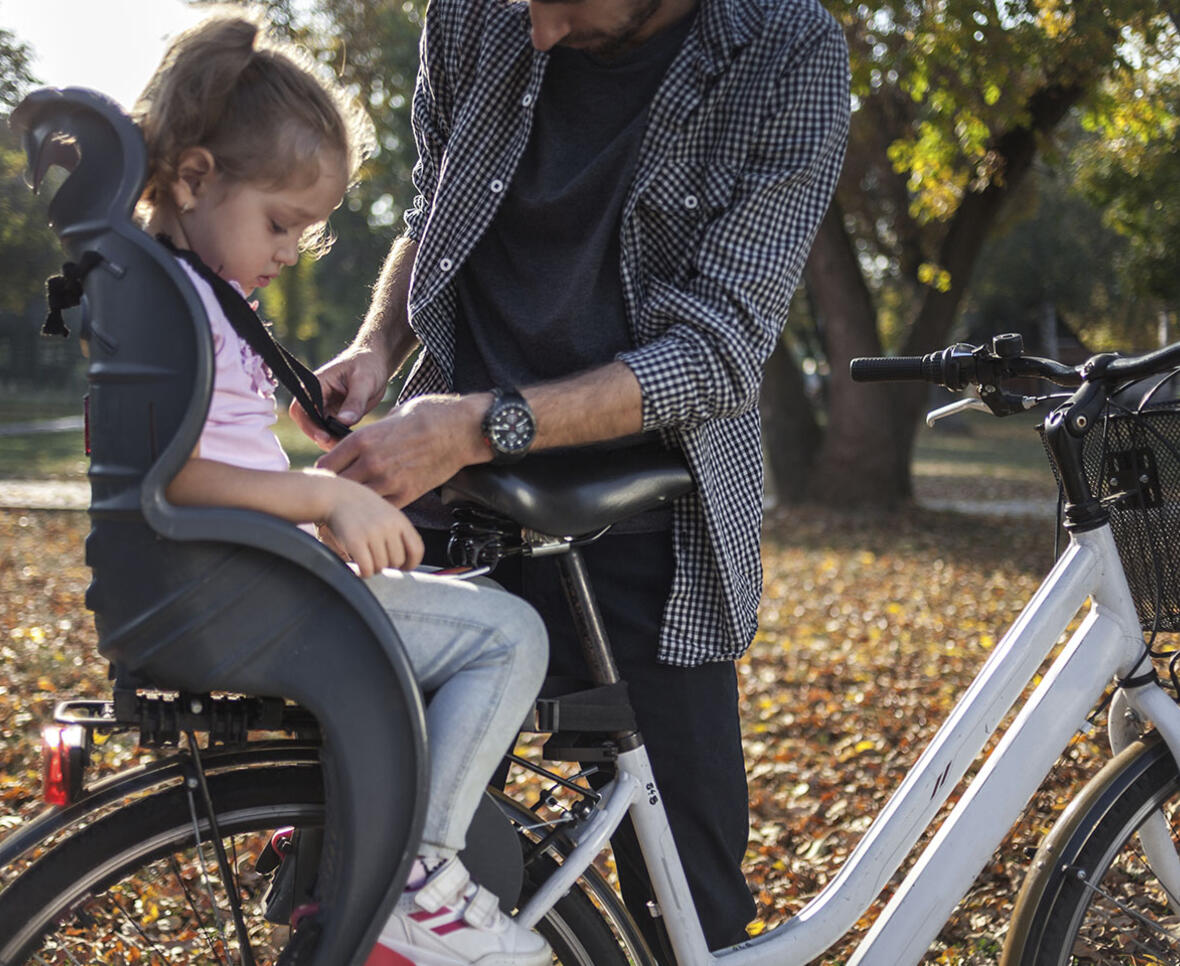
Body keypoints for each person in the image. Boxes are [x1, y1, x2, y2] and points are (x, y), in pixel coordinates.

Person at [292, 0, 851, 953]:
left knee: (693, 910)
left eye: (560, 4)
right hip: (452, 493)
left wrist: (479, 425)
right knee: (379, 859)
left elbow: (718, 353)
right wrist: (380, 346)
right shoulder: (478, 12)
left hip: (650, 523)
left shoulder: (786, 48)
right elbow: (438, 210)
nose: (535, 32)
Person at [134, 12, 552, 966]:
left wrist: (310, 427)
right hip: (233, 592)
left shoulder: (174, 290)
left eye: (305, 236)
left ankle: (338, 820)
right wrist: (326, 500)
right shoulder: (183, 306)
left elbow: (208, 444)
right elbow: (181, 475)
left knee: (464, 608)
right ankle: (421, 874)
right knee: (509, 635)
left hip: (223, 581)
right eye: (280, 224)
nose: (288, 253)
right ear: (194, 178)